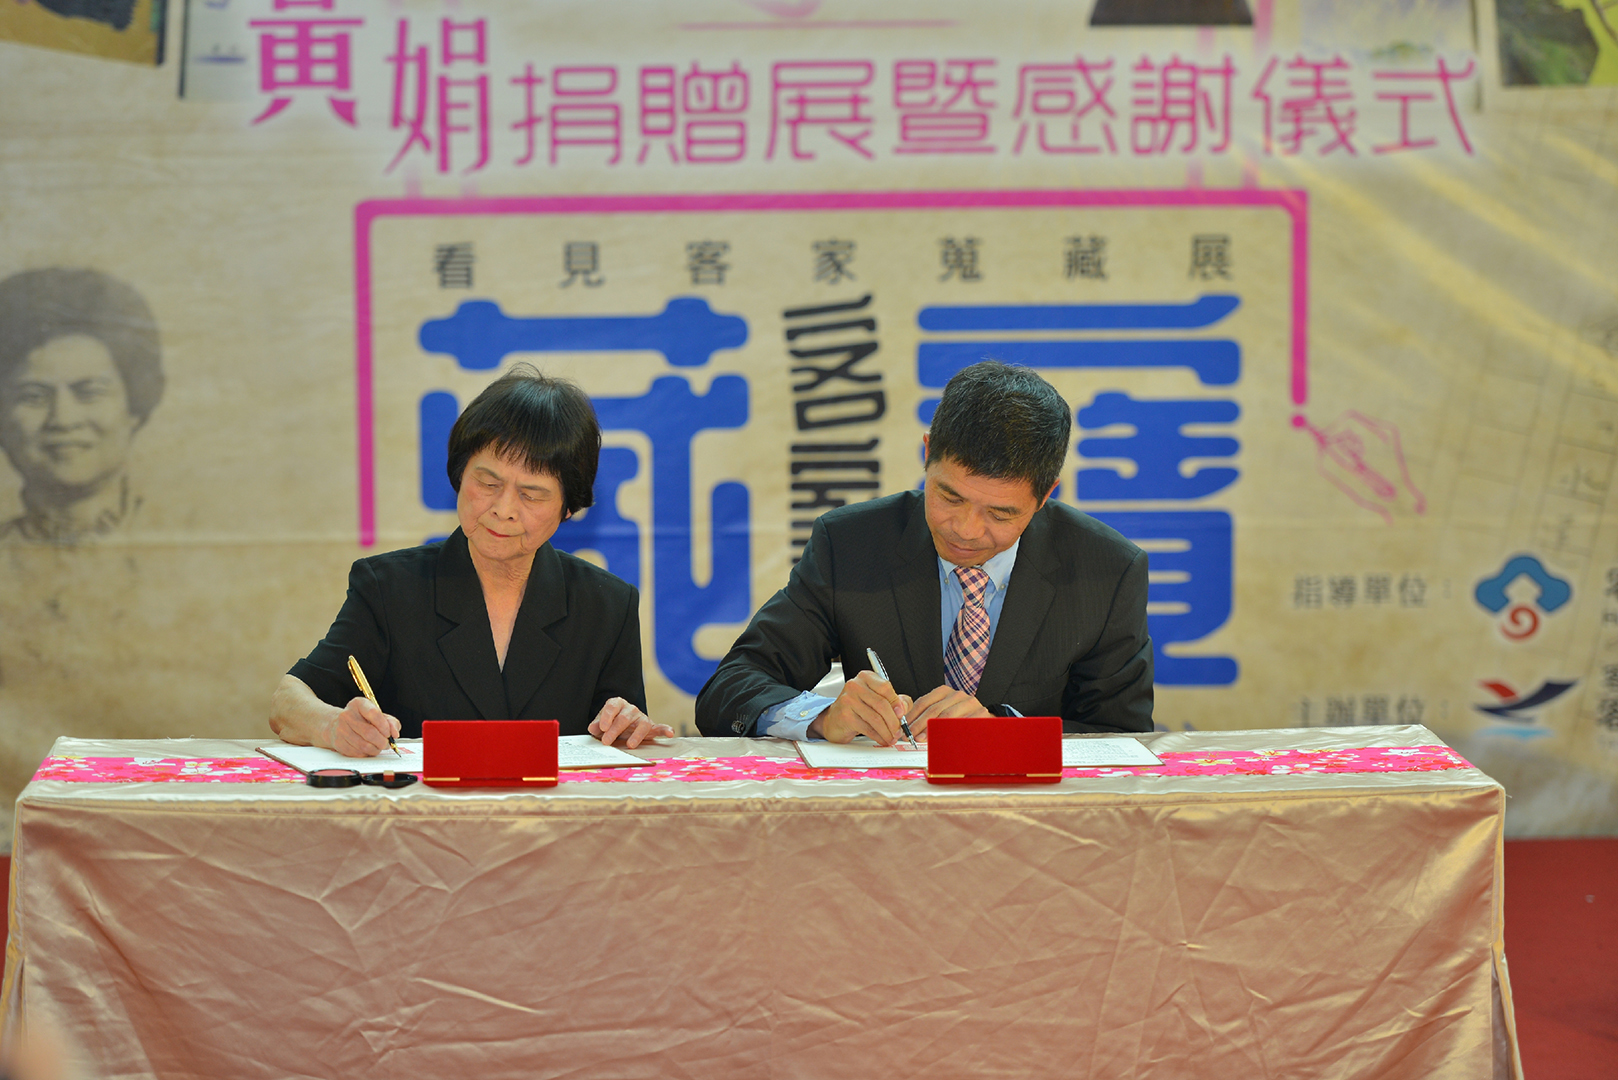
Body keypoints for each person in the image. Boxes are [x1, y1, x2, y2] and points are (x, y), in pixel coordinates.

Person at [695, 360, 1153, 743]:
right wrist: (819, 716)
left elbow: (1121, 736)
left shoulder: (1106, 571)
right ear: (928, 454)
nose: (967, 531)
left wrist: (1002, 733)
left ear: (1046, 494)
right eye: (950, 497)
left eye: (1000, 514)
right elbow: (730, 689)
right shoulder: (852, 543)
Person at [270, 365, 670, 757]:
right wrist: (333, 725)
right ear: (460, 474)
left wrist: (628, 724)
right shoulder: (390, 587)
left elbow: (621, 734)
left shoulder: (607, 605)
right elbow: (289, 700)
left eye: (531, 494)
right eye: (488, 482)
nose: (504, 509)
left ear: (568, 508)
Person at [0, 267, 163, 543]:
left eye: (89, 393)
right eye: (33, 396)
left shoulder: (202, 545)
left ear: (134, 407)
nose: (63, 419)